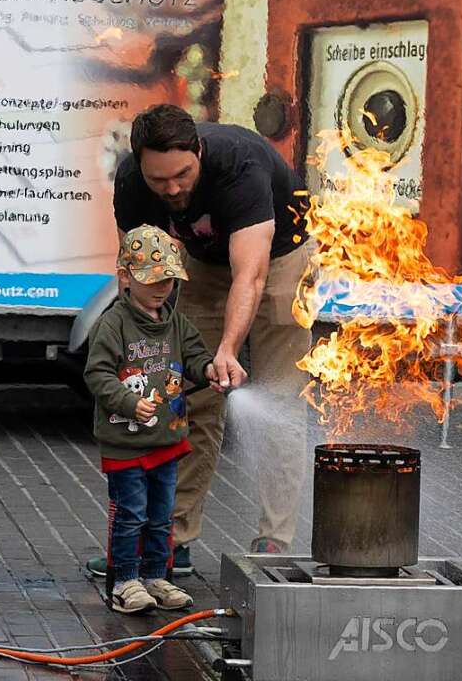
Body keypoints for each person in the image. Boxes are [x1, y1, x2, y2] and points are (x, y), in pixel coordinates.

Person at [111, 104, 312, 573]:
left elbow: (252, 277)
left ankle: (275, 541)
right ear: (140, 164)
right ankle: (170, 538)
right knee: (189, 400)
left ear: (198, 151)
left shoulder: (240, 166)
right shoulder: (131, 183)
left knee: (280, 398)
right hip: (203, 264)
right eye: (160, 180)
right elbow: (138, 272)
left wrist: (226, 351)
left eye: (182, 174)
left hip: (281, 261)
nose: (173, 188)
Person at [84, 225, 226, 613]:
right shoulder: (113, 324)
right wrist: (128, 403)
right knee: (131, 516)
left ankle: (155, 577)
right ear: (125, 277)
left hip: (167, 441)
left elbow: (196, 356)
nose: (162, 287)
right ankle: (125, 582)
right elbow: (97, 374)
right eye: (152, 279)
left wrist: (210, 370)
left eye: (168, 279)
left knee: (162, 516)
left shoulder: (176, 322)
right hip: (126, 445)